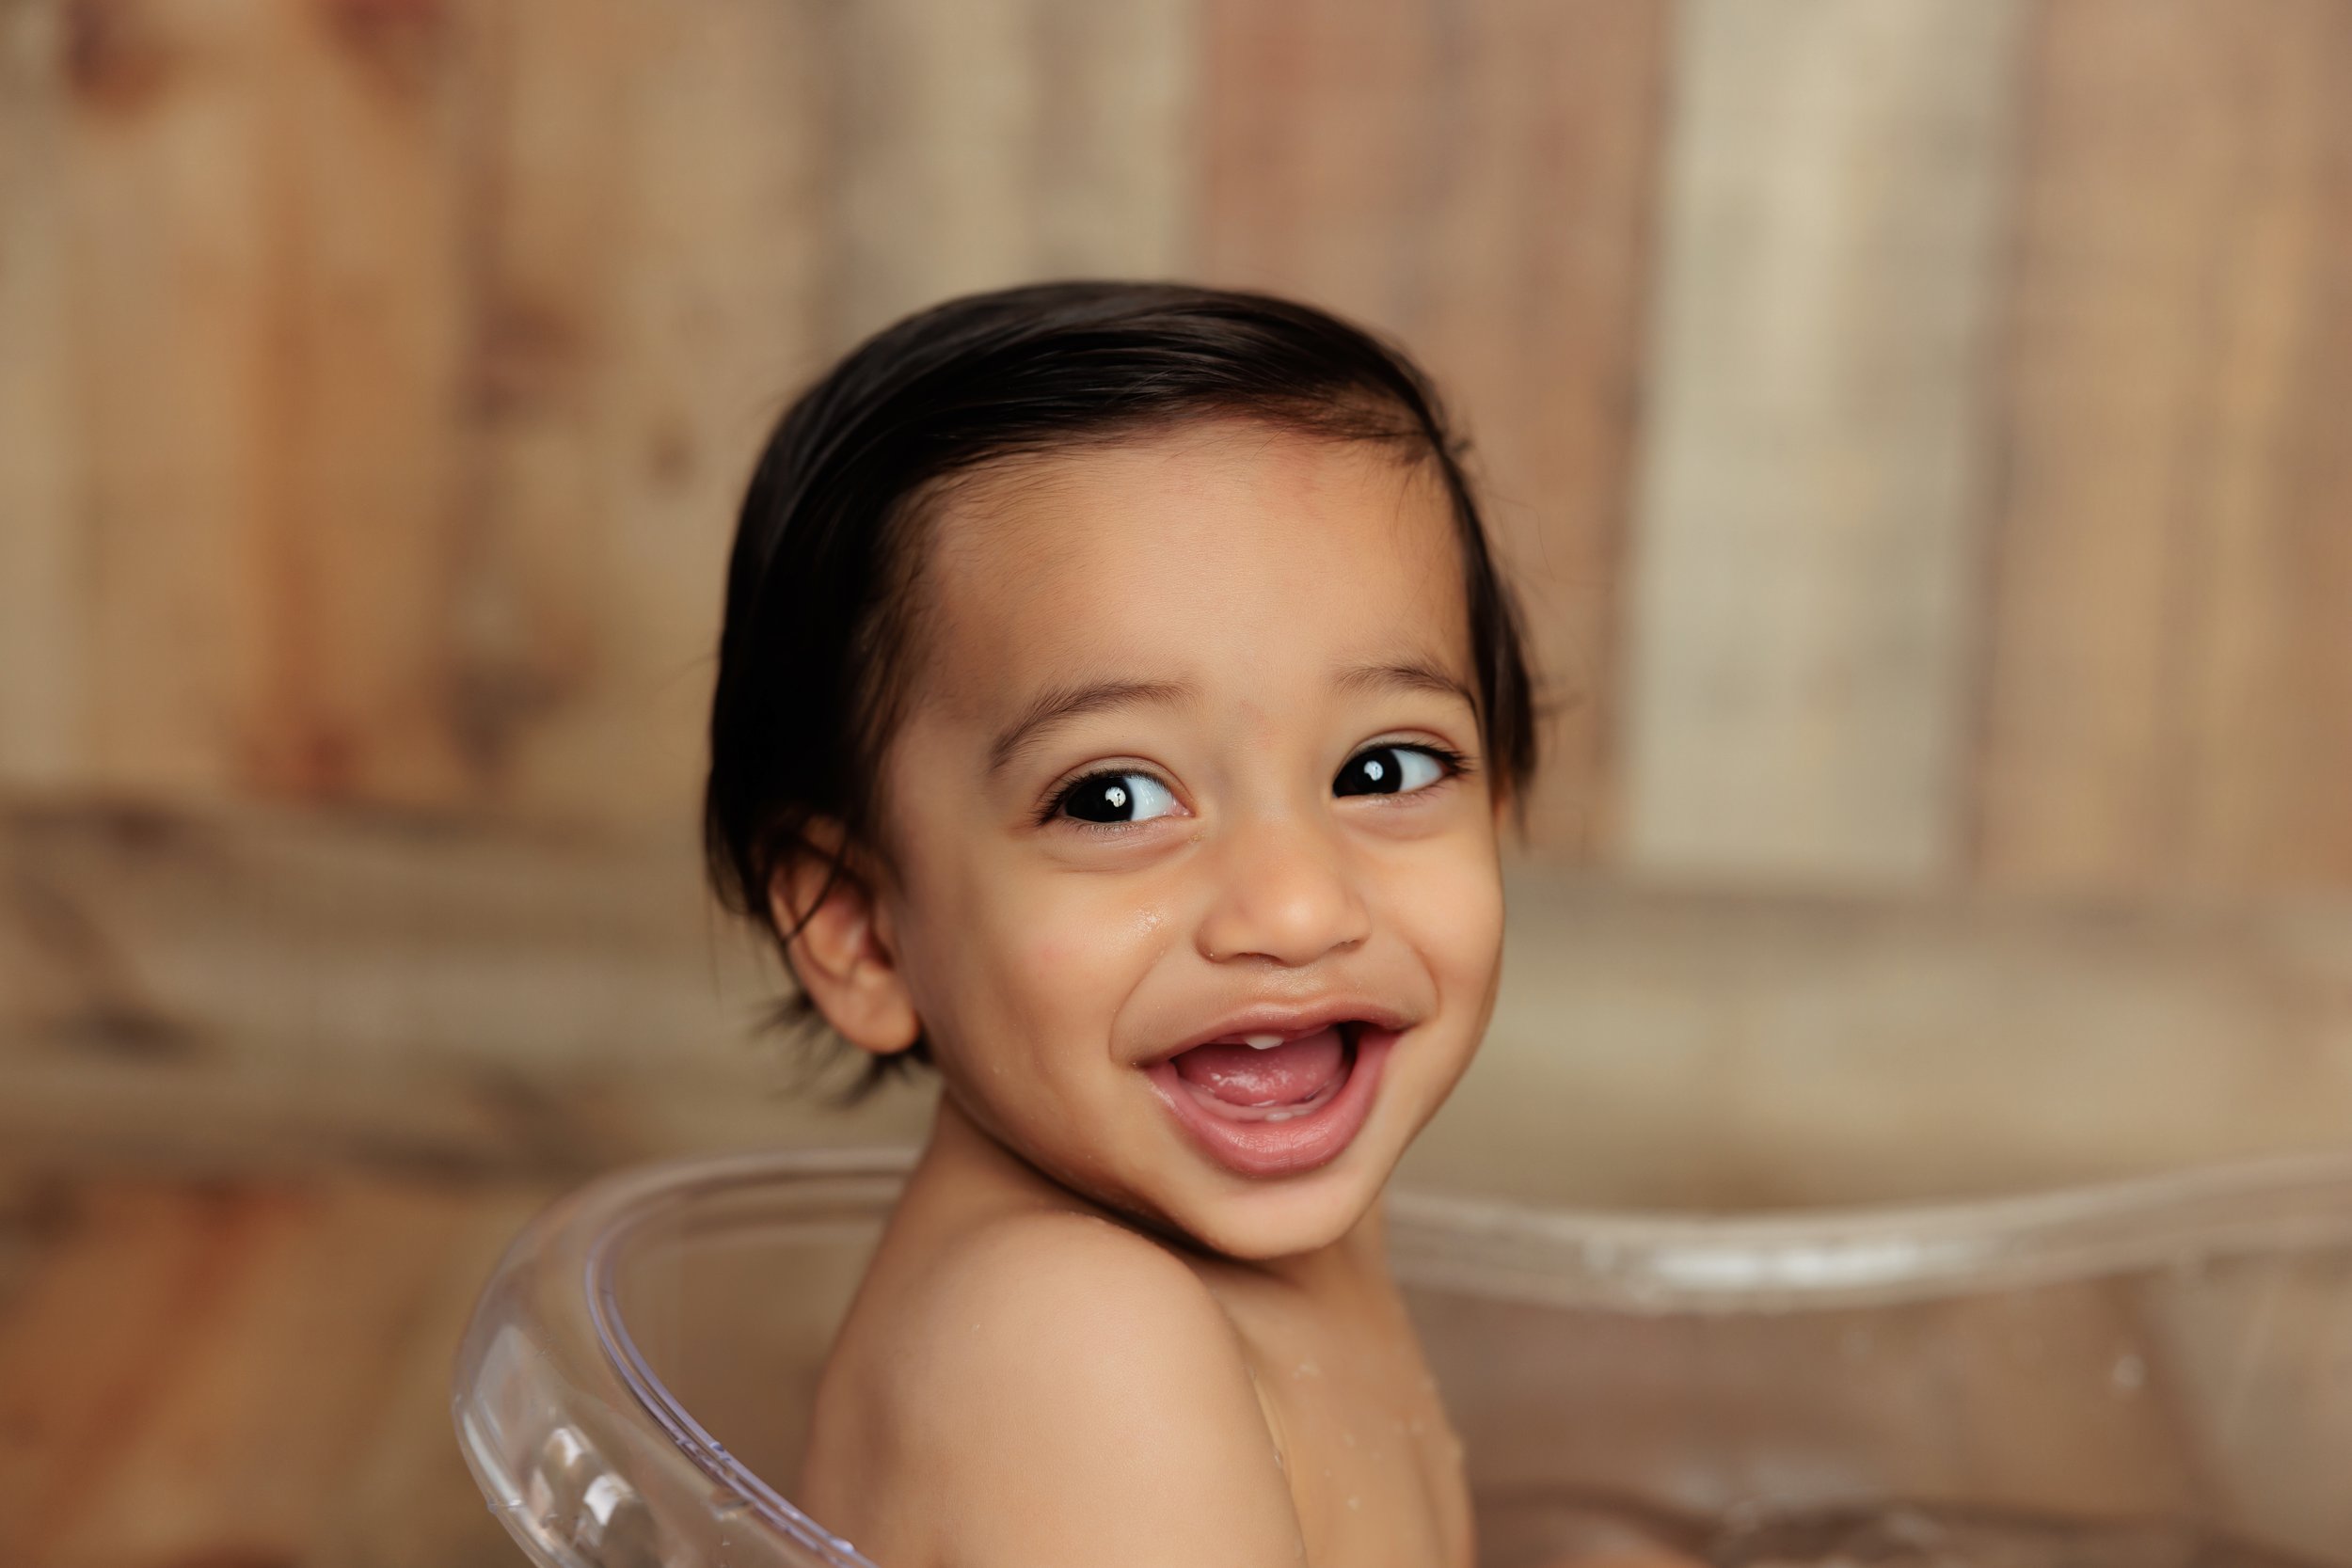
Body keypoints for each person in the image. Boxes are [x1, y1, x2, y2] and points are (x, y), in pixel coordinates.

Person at [704, 280, 1540, 1568]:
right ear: (861, 927)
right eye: (1115, 796)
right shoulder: (1073, 1339)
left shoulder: (1283, 1203)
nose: (1300, 906)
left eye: (1384, 769)